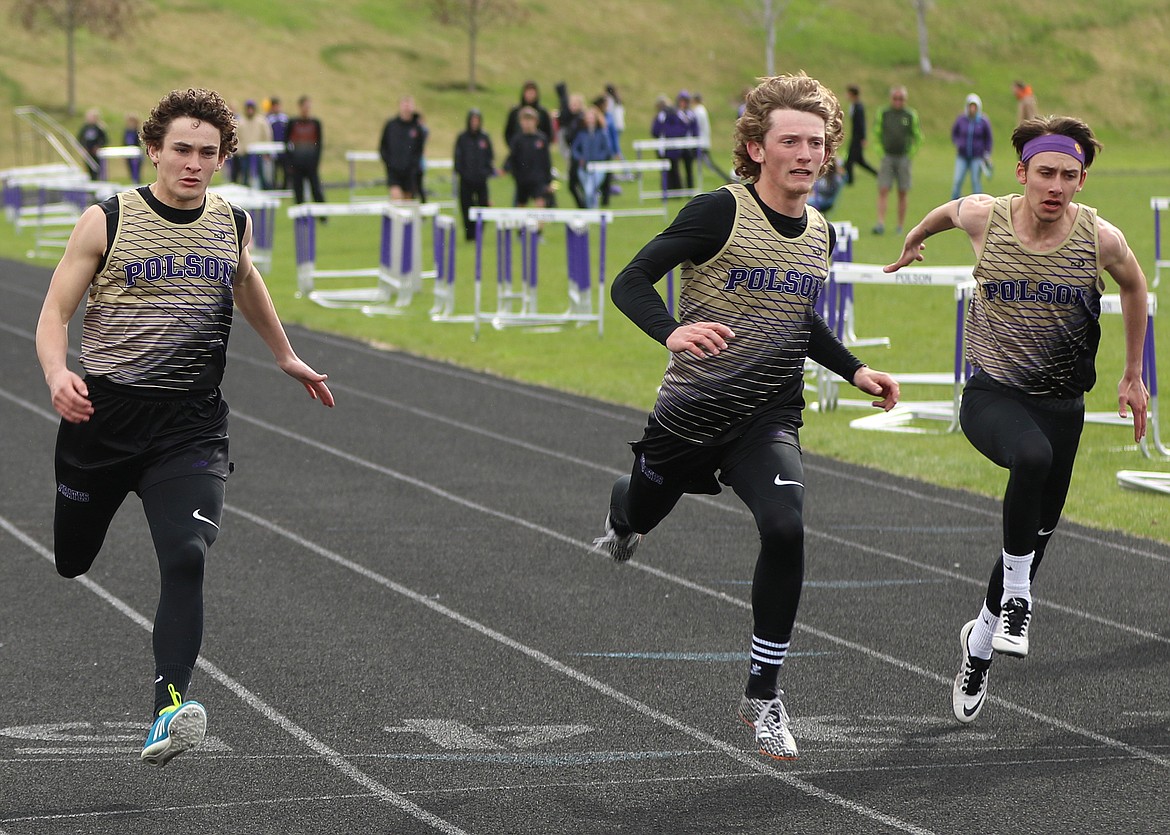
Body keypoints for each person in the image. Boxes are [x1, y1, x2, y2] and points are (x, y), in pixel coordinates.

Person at [592, 73, 900, 761]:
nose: (806, 153)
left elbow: (798, 320)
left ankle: (763, 693)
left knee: (786, 524)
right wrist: (671, 331)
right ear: (757, 148)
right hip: (691, 413)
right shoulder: (718, 212)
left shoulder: (819, 229)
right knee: (641, 508)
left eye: (817, 142)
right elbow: (629, 281)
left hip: (767, 416)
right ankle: (623, 516)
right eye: (790, 140)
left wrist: (854, 369)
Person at [34, 87, 335, 768]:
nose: (193, 164)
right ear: (153, 150)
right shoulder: (106, 220)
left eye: (207, 152)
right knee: (71, 558)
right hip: (103, 418)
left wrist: (284, 353)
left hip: (190, 424)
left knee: (187, 554)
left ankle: (168, 708)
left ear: (223, 157)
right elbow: (54, 313)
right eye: (181, 150)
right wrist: (57, 373)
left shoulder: (231, 222)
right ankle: (83, 515)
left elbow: (246, 279)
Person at [884, 115, 1148, 726]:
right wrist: (913, 240)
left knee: (1034, 533)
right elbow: (945, 213)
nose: (1055, 186)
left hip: (1063, 407)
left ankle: (978, 646)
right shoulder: (987, 216)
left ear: (1082, 181)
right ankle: (1020, 601)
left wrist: (1133, 374)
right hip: (992, 396)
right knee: (1030, 462)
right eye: (1045, 173)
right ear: (1022, 173)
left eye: (1069, 176)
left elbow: (1135, 289)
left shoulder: (1100, 238)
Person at [872, 85, 922, 235]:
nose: (898, 101)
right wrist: (881, 152)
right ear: (891, 99)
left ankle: (900, 225)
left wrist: (910, 154)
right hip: (888, 157)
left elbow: (918, 137)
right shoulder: (884, 113)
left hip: (903, 158)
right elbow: (877, 134)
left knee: (903, 191)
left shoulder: (910, 115)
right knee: (883, 189)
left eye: (901, 99)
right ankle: (880, 222)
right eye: (895, 98)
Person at [453, 108, 496, 241]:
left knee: (483, 206)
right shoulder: (462, 138)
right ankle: (469, 235)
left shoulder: (484, 137)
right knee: (466, 207)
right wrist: (462, 172)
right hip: (466, 179)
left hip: (481, 179)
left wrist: (486, 172)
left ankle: (479, 232)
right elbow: (458, 158)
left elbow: (489, 157)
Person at [379, 95, 426, 202]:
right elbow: (383, 146)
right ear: (400, 106)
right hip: (394, 170)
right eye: (404, 104)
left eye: (409, 105)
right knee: (396, 200)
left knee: (407, 204)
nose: (406, 107)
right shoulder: (391, 125)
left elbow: (420, 149)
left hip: (410, 172)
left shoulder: (417, 128)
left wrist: (413, 164)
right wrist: (389, 162)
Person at [504, 107, 552, 208]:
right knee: (520, 206)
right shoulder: (517, 139)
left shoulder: (541, 139)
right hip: (522, 179)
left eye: (530, 120)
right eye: (524, 120)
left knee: (540, 205)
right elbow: (512, 157)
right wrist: (509, 170)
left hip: (538, 179)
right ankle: (523, 224)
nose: (527, 123)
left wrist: (548, 180)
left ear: (536, 121)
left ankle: (539, 224)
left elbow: (546, 161)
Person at [950, 93, 993, 200]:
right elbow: (954, 133)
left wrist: (987, 152)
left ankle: (978, 204)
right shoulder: (962, 119)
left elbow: (988, 138)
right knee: (957, 180)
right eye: (971, 106)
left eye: (975, 106)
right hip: (962, 155)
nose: (972, 109)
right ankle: (953, 203)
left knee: (975, 181)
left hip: (977, 156)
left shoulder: (983, 121)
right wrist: (958, 143)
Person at [286, 95, 326, 205]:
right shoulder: (293, 123)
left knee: (316, 189)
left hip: (311, 163)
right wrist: (290, 161)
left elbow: (319, 144)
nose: (307, 109)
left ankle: (322, 215)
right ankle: (300, 218)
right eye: (305, 106)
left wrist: (316, 161)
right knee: (298, 191)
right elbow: (286, 143)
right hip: (297, 163)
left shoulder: (315, 123)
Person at [571, 105, 612, 209]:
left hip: (598, 167)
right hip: (584, 167)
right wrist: (580, 158)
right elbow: (575, 149)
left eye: (592, 117)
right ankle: (592, 211)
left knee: (590, 190)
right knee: (588, 191)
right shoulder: (581, 134)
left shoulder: (601, 133)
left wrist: (598, 158)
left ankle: (592, 212)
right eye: (588, 117)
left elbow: (607, 150)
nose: (589, 119)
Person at [691, 91, 733, 183]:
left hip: (701, 143)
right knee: (708, 164)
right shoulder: (702, 110)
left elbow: (696, 127)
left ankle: (728, 179)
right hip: (704, 141)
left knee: (710, 165)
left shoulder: (698, 111)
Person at [503, 81, 553, 151]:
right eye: (528, 92)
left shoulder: (543, 113)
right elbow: (508, 132)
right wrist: (513, 147)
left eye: (532, 92)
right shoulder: (515, 112)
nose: (530, 95)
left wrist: (542, 147)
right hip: (518, 150)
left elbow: (548, 134)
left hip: (537, 150)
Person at [234, 99, 273, 189]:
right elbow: (236, 138)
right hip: (245, 153)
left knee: (262, 174)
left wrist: (266, 150)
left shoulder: (261, 122)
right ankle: (245, 190)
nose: (250, 110)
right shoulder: (241, 122)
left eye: (252, 108)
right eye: (248, 108)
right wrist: (239, 150)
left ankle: (265, 190)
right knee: (245, 174)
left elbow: (267, 136)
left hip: (259, 153)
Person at [842, 85, 877, 184]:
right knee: (859, 160)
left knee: (850, 160)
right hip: (854, 136)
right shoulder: (853, 106)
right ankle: (878, 174)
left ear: (852, 94)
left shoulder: (859, 107)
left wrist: (863, 138)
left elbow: (862, 123)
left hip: (857, 137)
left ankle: (850, 180)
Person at [266, 96, 290, 190]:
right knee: (274, 171)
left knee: (285, 170)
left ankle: (285, 187)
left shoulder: (285, 119)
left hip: (283, 149)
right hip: (274, 149)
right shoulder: (269, 119)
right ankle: (274, 187)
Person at [78, 108, 108, 180]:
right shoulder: (85, 128)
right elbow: (80, 138)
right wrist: (83, 147)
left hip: (96, 152)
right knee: (88, 166)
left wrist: (98, 146)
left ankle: (98, 179)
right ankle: (91, 179)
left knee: (97, 167)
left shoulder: (99, 128)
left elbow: (104, 140)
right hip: (87, 151)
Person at [122, 114, 143, 184]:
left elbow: (139, 143)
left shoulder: (137, 132)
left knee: (136, 168)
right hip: (128, 152)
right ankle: (132, 180)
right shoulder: (127, 131)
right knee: (130, 168)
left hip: (135, 153)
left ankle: (137, 181)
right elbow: (124, 141)